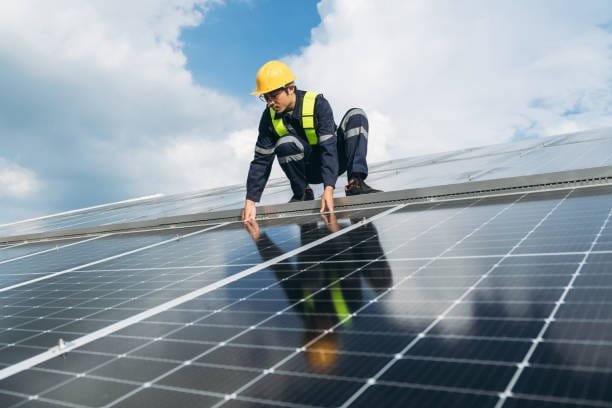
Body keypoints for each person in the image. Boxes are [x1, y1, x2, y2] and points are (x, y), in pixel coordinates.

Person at [242, 60, 381, 222]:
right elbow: (261, 161)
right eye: (265, 98)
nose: (270, 103)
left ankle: (355, 183)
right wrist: (251, 200)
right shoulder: (268, 118)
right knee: (285, 143)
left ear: (290, 89)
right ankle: (301, 193)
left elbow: (329, 147)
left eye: (274, 96)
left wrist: (328, 188)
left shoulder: (318, 104)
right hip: (307, 171)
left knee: (356, 115)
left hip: (334, 161)